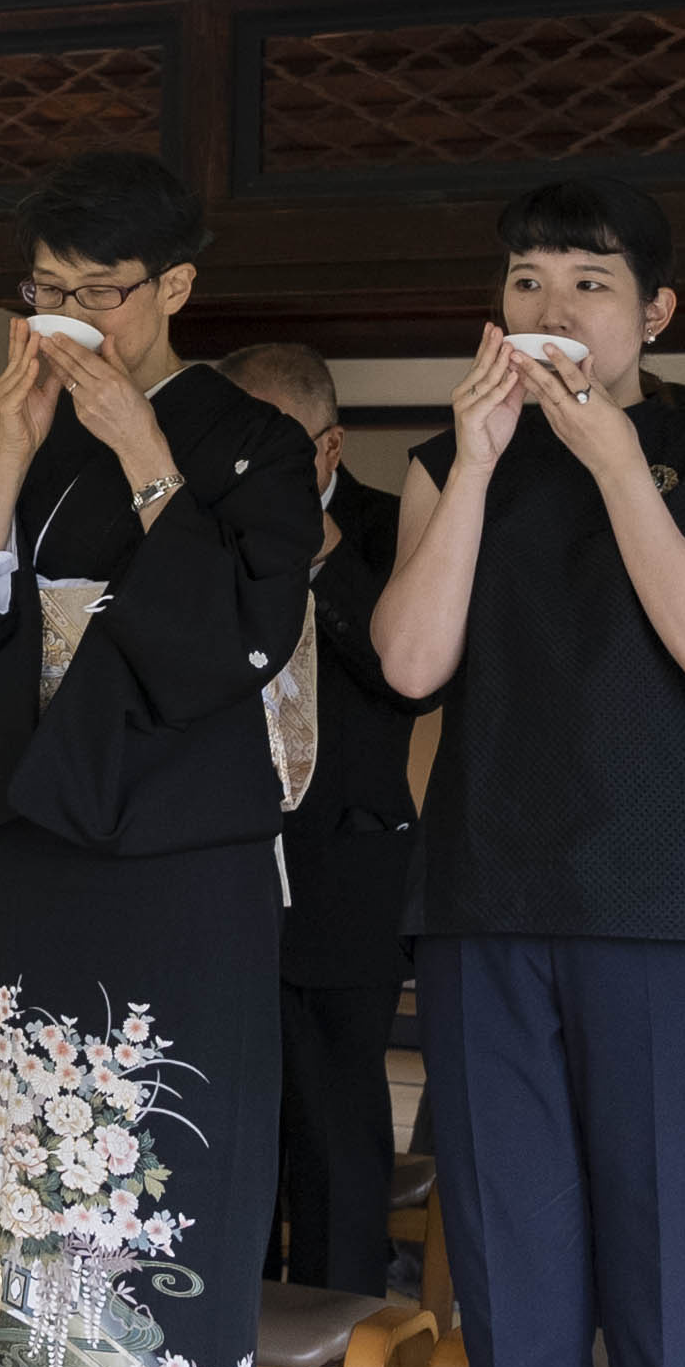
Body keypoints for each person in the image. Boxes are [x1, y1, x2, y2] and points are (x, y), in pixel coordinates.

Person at [372, 179, 685, 1367]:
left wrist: (619, 463)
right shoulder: (445, 459)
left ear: (655, 310)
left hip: (674, 908)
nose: (552, 305)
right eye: (526, 279)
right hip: (487, 897)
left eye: (589, 280)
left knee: (672, 1280)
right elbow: (411, 660)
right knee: (509, 1274)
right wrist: (474, 465)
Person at [0, 153, 318, 1367]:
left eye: (103, 290)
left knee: (171, 1157)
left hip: (180, 862)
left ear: (175, 283)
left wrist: (144, 454)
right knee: (29, 1168)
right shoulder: (19, 425)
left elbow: (233, 637)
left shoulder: (258, 444)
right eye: (43, 288)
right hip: (33, 844)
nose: (70, 319)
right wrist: (11, 460)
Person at [217, 341, 422, 1301]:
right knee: (218, 1130)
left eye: (275, 443)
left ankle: (342, 1346)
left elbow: (404, 676)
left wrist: (316, 542)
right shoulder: (197, 526)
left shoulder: (392, 525)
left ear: (330, 447)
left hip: (346, 870)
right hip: (213, 867)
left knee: (338, 1136)